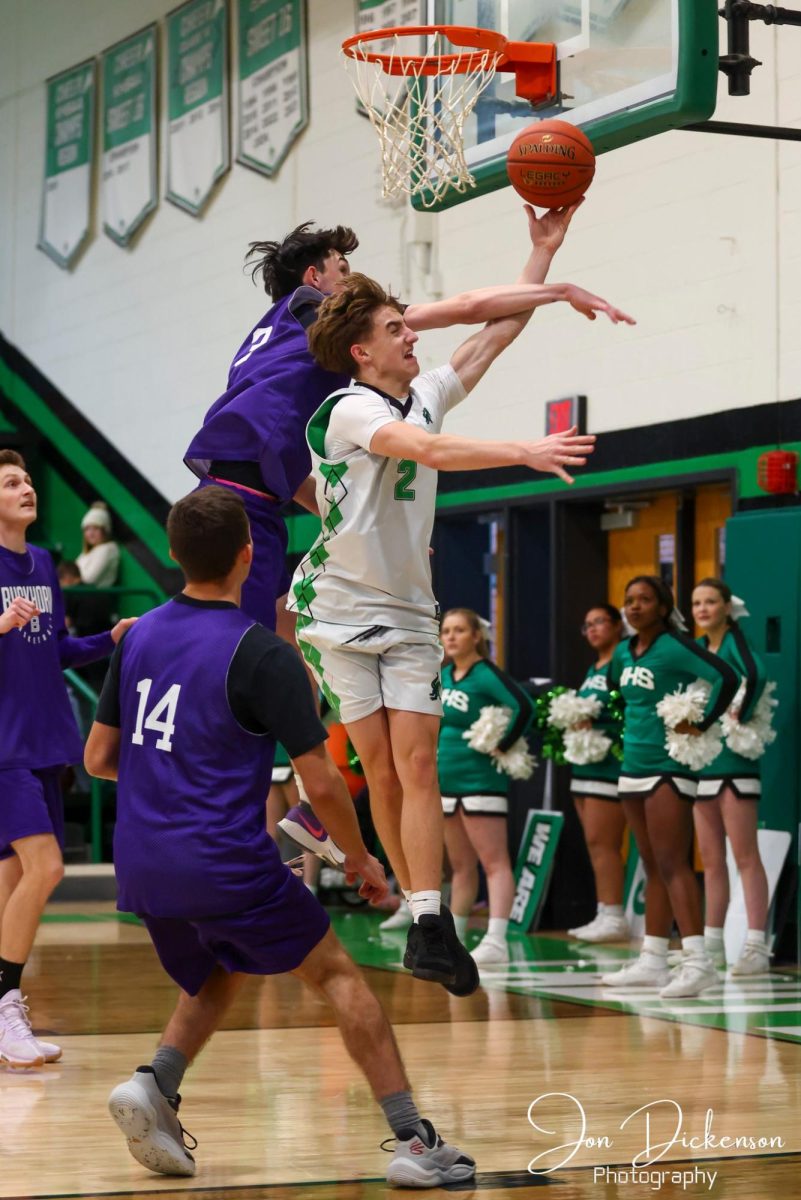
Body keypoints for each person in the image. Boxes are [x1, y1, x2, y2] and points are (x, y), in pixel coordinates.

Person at [85, 486, 475, 1189]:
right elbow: (321, 783)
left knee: (218, 964)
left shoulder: (136, 635)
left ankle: (156, 1085)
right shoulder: (261, 654)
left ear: (173, 555)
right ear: (248, 555)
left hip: (141, 864)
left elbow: (98, 760)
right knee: (337, 976)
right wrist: (359, 860)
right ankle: (414, 1140)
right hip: (222, 860)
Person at [182, 209, 586, 862]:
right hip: (251, 506)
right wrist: (555, 286)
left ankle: (330, 819)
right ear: (317, 281)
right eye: (346, 270)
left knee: (280, 658)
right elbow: (468, 309)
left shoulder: (295, 350)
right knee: (248, 658)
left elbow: (488, 337)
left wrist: (376, 530)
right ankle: (274, 801)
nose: (359, 282)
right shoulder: (321, 320)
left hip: (254, 488)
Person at [287, 270, 633, 994]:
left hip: (411, 609)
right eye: (394, 329)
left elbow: (491, 337)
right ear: (360, 351)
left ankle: (426, 922)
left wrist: (544, 267)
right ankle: (398, 890)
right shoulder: (346, 408)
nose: (411, 334)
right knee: (379, 765)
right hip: (339, 607)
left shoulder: (422, 393)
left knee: (419, 767)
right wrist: (524, 450)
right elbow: (431, 453)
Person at [0, 450, 134, 1069]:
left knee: (11, 884)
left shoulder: (47, 563)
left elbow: (53, 650)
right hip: (4, 748)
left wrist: (107, 640)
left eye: (26, 480)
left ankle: (6, 1008)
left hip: (47, 739)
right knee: (47, 867)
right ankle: (6, 1009)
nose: (27, 489)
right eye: (11, 483)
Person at [601, 576, 738, 998]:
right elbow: (615, 694)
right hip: (633, 765)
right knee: (649, 863)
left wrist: (699, 723)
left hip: (669, 767)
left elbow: (726, 677)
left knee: (672, 861)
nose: (635, 606)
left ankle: (698, 962)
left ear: (663, 608)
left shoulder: (676, 646)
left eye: (645, 600)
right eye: (629, 600)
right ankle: (653, 960)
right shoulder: (623, 652)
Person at [437, 608, 535, 967]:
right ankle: (457, 936)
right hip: (447, 784)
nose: (450, 637)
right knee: (461, 867)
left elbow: (524, 706)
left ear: (476, 636)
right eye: (446, 630)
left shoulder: (486, 675)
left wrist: (505, 743)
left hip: (481, 781)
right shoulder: (444, 675)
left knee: (494, 863)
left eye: (459, 630)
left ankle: (496, 939)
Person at [691, 577, 771, 975]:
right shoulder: (700, 649)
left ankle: (756, 946)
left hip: (736, 763)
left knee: (745, 855)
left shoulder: (735, 643)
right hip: (704, 763)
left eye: (710, 602)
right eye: (696, 603)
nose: (703, 609)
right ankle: (712, 946)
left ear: (727, 607)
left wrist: (741, 711)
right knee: (710, 860)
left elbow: (755, 674)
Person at [566, 604, 629, 943]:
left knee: (604, 842)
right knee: (594, 842)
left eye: (599, 622)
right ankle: (604, 911)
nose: (591, 629)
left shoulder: (623, 660)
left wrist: (599, 720)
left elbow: (629, 706)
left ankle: (615, 913)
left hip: (610, 765)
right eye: (586, 625)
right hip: (586, 762)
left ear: (619, 625)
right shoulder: (594, 667)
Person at [76, 501, 120, 587]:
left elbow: (88, 579)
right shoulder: (87, 552)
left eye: (96, 528)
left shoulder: (108, 549)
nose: (91, 533)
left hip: (95, 597)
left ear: (105, 531)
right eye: (87, 529)